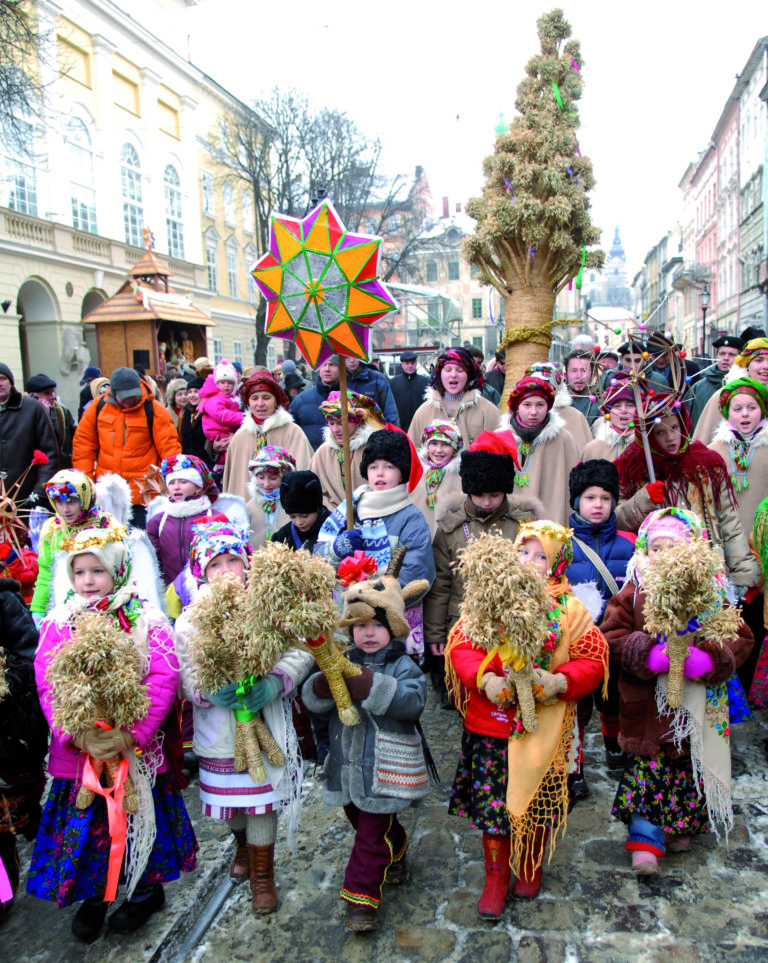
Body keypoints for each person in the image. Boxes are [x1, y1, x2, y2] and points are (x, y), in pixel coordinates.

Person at [28, 527, 198, 941]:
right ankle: (96, 894)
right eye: (80, 572)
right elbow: (47, 680)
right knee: (91, 825)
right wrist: (75, 733)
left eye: (98, 571)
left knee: (139, 819)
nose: (88, 581)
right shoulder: (60, 621)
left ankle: (144, 889)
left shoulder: (145, 619)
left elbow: (162, 677)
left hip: (134, 752)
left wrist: (132, 733)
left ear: (118, 570)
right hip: (81, 753)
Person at [445, 520, 608, 913]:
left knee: (535, 803)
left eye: (541, 555)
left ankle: (530, 863)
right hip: (492, 726)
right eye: (524, 551)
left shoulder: (569, 609)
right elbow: (462, 646)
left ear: (557, 563)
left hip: (544, 730)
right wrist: (483, 679)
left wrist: (557, 681)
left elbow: (592, 659)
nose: (530, 561)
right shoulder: (489, 598)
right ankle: (497, 874)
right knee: (493, 808)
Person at [601, 508, 753, 875]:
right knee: (647, 773)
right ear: (644, 552)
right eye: (657, 548)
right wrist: (645, 653)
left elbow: (741, 638)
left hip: (693, 708)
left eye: (674, 547)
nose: (664, 555)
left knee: (685, 773)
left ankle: (679, 828)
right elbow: (610, 635)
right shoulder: (634, 593)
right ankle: (644, 841)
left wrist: (711, 659)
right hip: (647, 710)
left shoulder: (711, 595)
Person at [174, 519, 312, 914]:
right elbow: (185, 670)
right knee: (231, 807)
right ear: (200, 571)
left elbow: (298, 650)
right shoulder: (189, 620)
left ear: (247, 563)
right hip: (219, 730)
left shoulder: (266, 609)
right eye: (214, 564)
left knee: (261, 800)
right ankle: (242, 847)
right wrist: (206, 689)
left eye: (233, 560)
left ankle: (263, 873)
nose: (225, 572)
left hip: (265, 720)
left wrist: (274, 683)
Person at [302, 570, 430, 932]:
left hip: (386, 766)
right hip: (345, 764)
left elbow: (413, 702)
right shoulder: (337, 659)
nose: (368, 633)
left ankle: (360, 899)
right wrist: (323, 688)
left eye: (376, 625)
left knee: (369, 836)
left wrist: (371, 686)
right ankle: (398, 847)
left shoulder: (402, 664)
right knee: (363, 821)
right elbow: (314, 699)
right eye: (359, 626)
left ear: (392, 625)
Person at [424, 431, 544, 707]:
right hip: (462, 626)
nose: (487, 502)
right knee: (469, 694)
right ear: (469, 490)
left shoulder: (523, 525)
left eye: (494, 495)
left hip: (511, 627)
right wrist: (435, 634)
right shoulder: (450, 527)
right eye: (479, 495)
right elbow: (440, 583)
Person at [614, 390, 760, 593]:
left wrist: (744, 574)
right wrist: (643, 499)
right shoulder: (633, 468)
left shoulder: (707, 463)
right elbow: (617, 519)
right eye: (660, 432)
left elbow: (729, 523)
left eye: (674, 428)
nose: (670, 437)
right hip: (659, 578)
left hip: (708, 573)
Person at [315, 427, 435, 654]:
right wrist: (337, 549)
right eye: (373, 467)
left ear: (402, 472)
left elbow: (417, 573)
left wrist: (371, 598)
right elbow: (317, 558)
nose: (380, 473)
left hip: (392, 626)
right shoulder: (350, 509)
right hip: (348, 623)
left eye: (389, 466)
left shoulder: (411, 518)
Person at [565, 460, 635, 798]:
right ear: (576, 501)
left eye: (606, 498)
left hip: (614, 642)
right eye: (590, 497)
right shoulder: (560, 546)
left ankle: (614, 744)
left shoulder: (628, 546)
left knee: (612, 700)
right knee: (577, 708)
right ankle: (573, 766)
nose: (598, 505)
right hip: (575, 643)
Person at [707, 376, 768, 690]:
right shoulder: (715, 451)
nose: (745, 414)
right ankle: (732, 686)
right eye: (737, 409)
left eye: (751, 408)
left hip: (764, 551)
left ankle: (754, 684)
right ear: (727, 413)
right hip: (729, 552)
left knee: (759, 621)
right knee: (733, 621)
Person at [72, 367, 181, 529]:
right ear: (113, 392)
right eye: (125, 396)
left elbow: (170, 450)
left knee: (143, 544)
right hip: (108, 493)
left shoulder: (154, 409)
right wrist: (87, 485)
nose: (130, 399)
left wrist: (175, 484)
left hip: (145, 494)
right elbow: (83, 447)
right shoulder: (98, 408)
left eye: (133, 394)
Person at [0, 573, 48, 921]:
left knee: (21, 798)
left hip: (9, 727)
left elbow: (32, 655)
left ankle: (33, 820)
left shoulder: (4, 600)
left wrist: (5, 679)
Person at [30, 470, 124, 622]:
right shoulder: (52, 530)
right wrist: (38, 610)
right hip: (63, 610)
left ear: (85, 498)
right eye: (59, 502)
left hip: (104, 607)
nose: (65, 510)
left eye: (71, 502)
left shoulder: (106, 525)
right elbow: (46, 573)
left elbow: (121, 572)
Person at [146, 454, 248, 586]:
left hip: (204, 589)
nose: (176, 487)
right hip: (169, 589)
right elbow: (152, 559)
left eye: (183, 482)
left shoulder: (215, 518)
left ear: (199, 486)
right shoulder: (158, 522)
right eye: (171, 482)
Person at [500, 375, 580, 525]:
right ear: (517, 407)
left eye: (540, 405)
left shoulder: (563, 439)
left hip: (549, 522)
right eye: (527, 405)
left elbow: (572, 488)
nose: (533, 412)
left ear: (548, 406)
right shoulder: (501, 438)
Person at [222, 372, 311, 502]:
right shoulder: (240, 437)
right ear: (248, 402)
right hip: (248, 511)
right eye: (254, 398)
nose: (260, 403)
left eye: (266, 397)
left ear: (276, 401)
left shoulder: (293, 432)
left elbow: (304, 473)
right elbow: (233, 481)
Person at [408, 347, 500, 450]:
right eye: (448, 370)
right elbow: (412, 455)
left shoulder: (488, 411)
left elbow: (499, 454)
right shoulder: (423, 412)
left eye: (460, 370)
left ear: (468, 375)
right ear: (440, 374)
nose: (453, 375)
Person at [309, 390, 384, 511]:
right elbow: (315, 491)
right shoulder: (322, 453)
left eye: (341, 423)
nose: (335, 429)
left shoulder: (372, 448)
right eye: (331, 423)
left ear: (357, 422)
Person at [0, 362, 59, 505]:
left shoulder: (33, 408)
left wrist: (39, 493)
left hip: (27, 499)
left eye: (2, 378)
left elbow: (49, 454)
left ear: (11, 381)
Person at [693, 337, 768, 443]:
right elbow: (703, 442)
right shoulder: (725, 395)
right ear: (746, 364)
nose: (766, 366)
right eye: (759, 360)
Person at [410, 420, 464, 538]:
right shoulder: (417, 470)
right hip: (418, 537)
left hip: (448, 538)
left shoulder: (460, 475)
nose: (439, 450)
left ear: (455, 448)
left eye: (445, 444)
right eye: (434, 443)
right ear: (427, 445)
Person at [523, 361, 593, 451]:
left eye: (546, 384)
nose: (540, 390)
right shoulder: (517, 417)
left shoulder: (574, 417)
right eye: (534, 385)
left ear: (556, 387)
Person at [197, 361, 244, 478]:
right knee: (228, 450)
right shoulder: (215, 399)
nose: (226, 385)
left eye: (230, 383)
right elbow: (223, 416)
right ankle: (218, 471)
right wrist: (244, 418)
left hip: (226, 429)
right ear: (217, 384)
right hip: (217, 430)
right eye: (223, 382)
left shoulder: (233, 398)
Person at [245, 445, 296, 547]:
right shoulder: (250, 507)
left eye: (273, 478)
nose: (266, 484)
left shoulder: (293, 502)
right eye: (261, 477)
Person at [581, 372, 638, 461]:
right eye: (617, 406)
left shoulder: (649, 447)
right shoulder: (592, 450)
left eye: (630, 405)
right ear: (608, 412)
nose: (623, 411)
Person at [25, 373, 77, 469]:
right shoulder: (25, 413)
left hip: (63, 467)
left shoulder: (62, 410)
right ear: (33, 396)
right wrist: (44, 415)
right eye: (46, 393)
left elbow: (77, 436)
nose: (53, 396)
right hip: (38, 470)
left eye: (53, 392)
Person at [690, 336, 744, 428]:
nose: (726, 358)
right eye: (722, 354)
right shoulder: (698, 387)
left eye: (731, 354)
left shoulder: (744, 386)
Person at [271, 470, 331, 554]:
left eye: (305, 516)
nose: (299, 522)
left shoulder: (336, 528)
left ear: (317, 509)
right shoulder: (282, 537)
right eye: (292, 517)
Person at [289, 357, 341, 450]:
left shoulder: (351, 399)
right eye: (323, 364)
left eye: (332, 365)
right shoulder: (300, 401)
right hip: (310, 461)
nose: (327, 369)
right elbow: (291, 437)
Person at [342, 356, 400, 426]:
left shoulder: (377, 379)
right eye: (347, 357)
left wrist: (393, 434)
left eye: (355, 356)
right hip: (344, 433)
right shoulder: (337, 380)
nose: (352, 360)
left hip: (374, 432)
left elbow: (390, 413)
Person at [389, 350, 429, 431]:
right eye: (407, 363)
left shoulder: (426, 382)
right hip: (399, 429)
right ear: (402, 364)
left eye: (412, 363)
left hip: (421, 427)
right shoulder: (393, 383)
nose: (410, 366)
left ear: (416, 363)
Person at [180, 377, 214, 467]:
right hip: (187, 463)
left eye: (196, 391)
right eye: (190, 392)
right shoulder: (185, 413)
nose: (192, 395)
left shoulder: (209, 412)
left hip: (206, 463)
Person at [563, 352, 600, 424]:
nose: (579, 376)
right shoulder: (554, 402)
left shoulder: (602, 403)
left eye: (584, 371)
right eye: (574, 370)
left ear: (593, 375)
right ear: (565, 375)